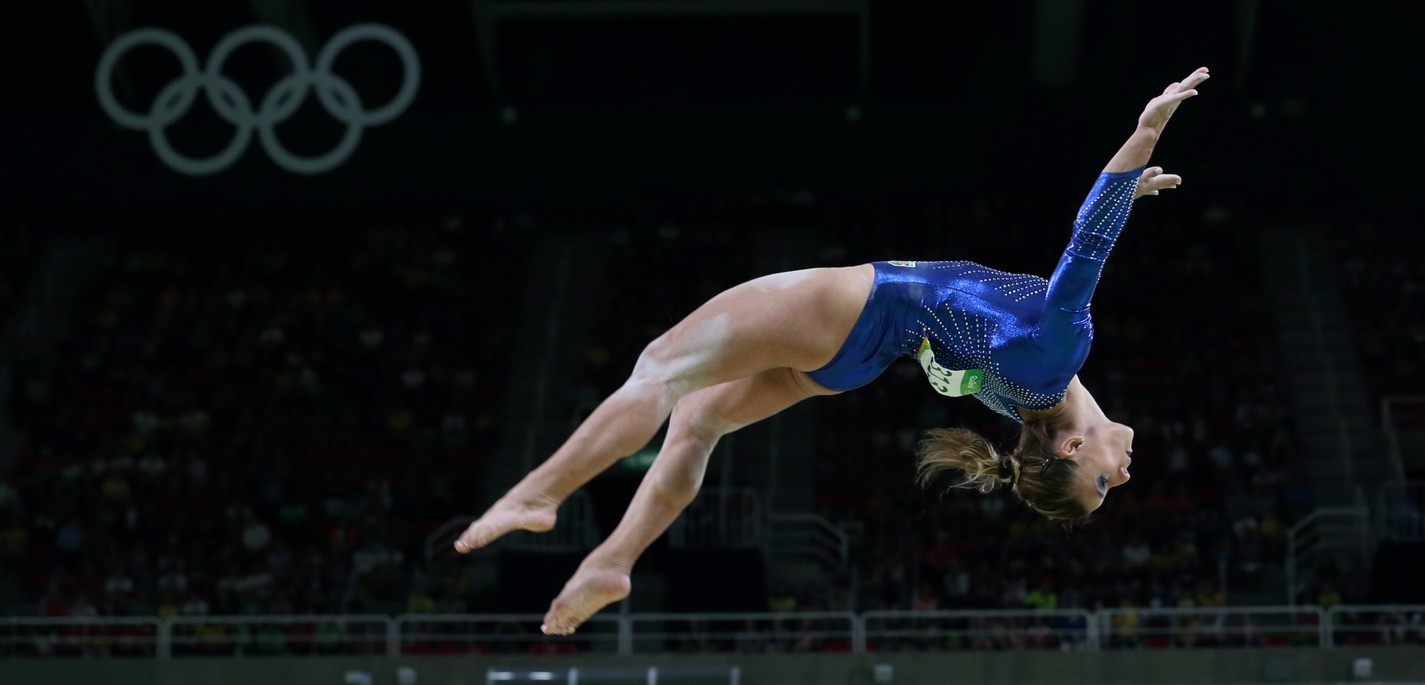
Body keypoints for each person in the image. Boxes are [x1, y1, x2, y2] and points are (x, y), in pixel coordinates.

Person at [456, 68, 1211, 634]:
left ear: (1072, 444)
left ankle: (540, 495)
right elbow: (1044, 312)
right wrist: (1129, 192)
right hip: (855, 362)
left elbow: (1087, 248)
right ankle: (616, 559)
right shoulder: (1026, 395)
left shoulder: (1057, 358)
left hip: (851, 307)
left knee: (661, 368)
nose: (1122, 478)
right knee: (698, 423)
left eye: (1103, 484)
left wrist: (1146, 128)